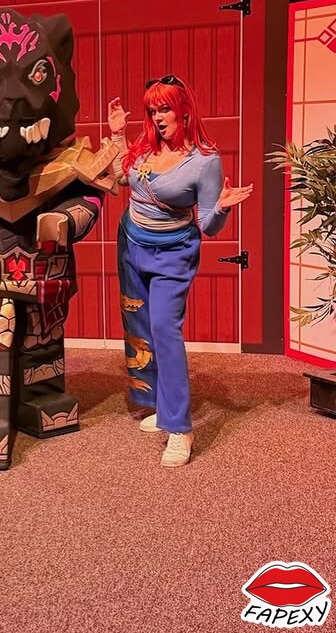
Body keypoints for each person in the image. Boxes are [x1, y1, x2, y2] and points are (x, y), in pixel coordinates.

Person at [108, 74, 253, 467]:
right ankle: (160, 405)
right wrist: (118, 135)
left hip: (172, 253)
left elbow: (207, 225)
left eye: (164, 109)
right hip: (131, 243)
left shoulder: (205, 161)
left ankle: (179, 427)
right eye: (152, 110)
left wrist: (221, 207)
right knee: (139, 323)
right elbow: (122, 176)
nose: (157, 117)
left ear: (184, 111)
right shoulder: (145, 147)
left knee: (164, 330)